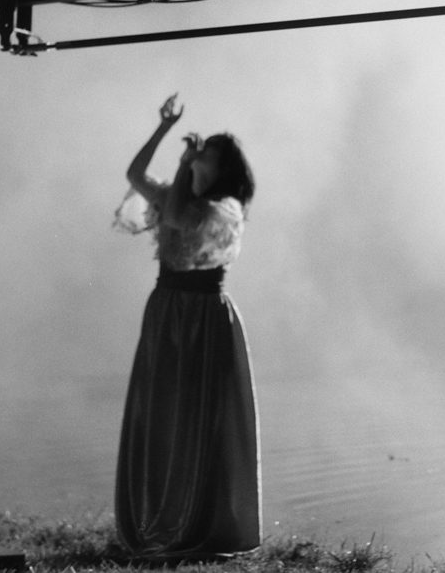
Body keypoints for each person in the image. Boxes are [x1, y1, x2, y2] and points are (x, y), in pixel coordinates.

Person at [112, 94, 261, 563]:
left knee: (200, 419)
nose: (199, 161)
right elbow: (135, 176)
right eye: (200, 154)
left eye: (208, 158)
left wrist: (181, 168)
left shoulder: (225, 207)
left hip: (203, 315)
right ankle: (156, 516)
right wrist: (162, 131)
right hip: (167, 310)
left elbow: (179, 216)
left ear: (223, 170)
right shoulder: (182, 193)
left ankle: (199, 522)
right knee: (160, 412)